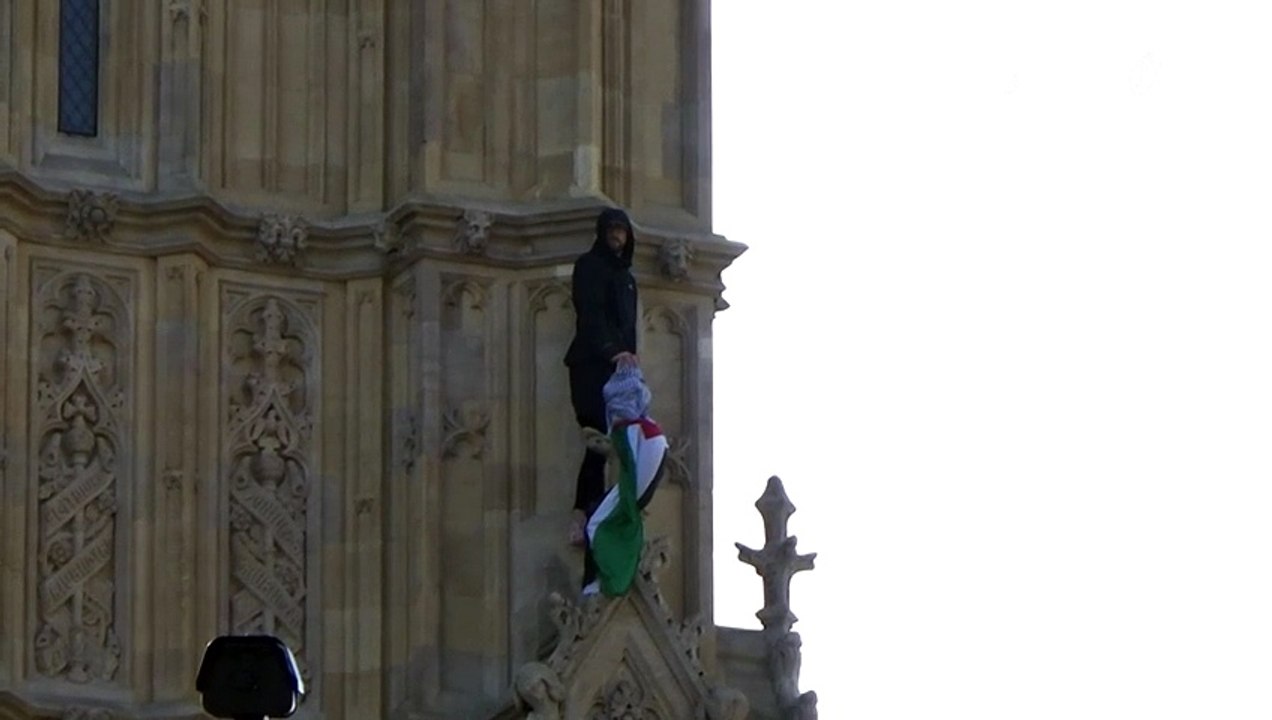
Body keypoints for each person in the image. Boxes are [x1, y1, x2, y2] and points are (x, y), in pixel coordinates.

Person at [564, 207, 638, 545]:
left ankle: (606, 513)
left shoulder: (626, 278)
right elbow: (590, 314)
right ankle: (581, 517)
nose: (617, 236)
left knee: (622, 441)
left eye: (622, 230)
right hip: (592, 365)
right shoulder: (590, 266)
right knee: (597, 437)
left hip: (620, 370)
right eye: (612, 229)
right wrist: (612, 350)